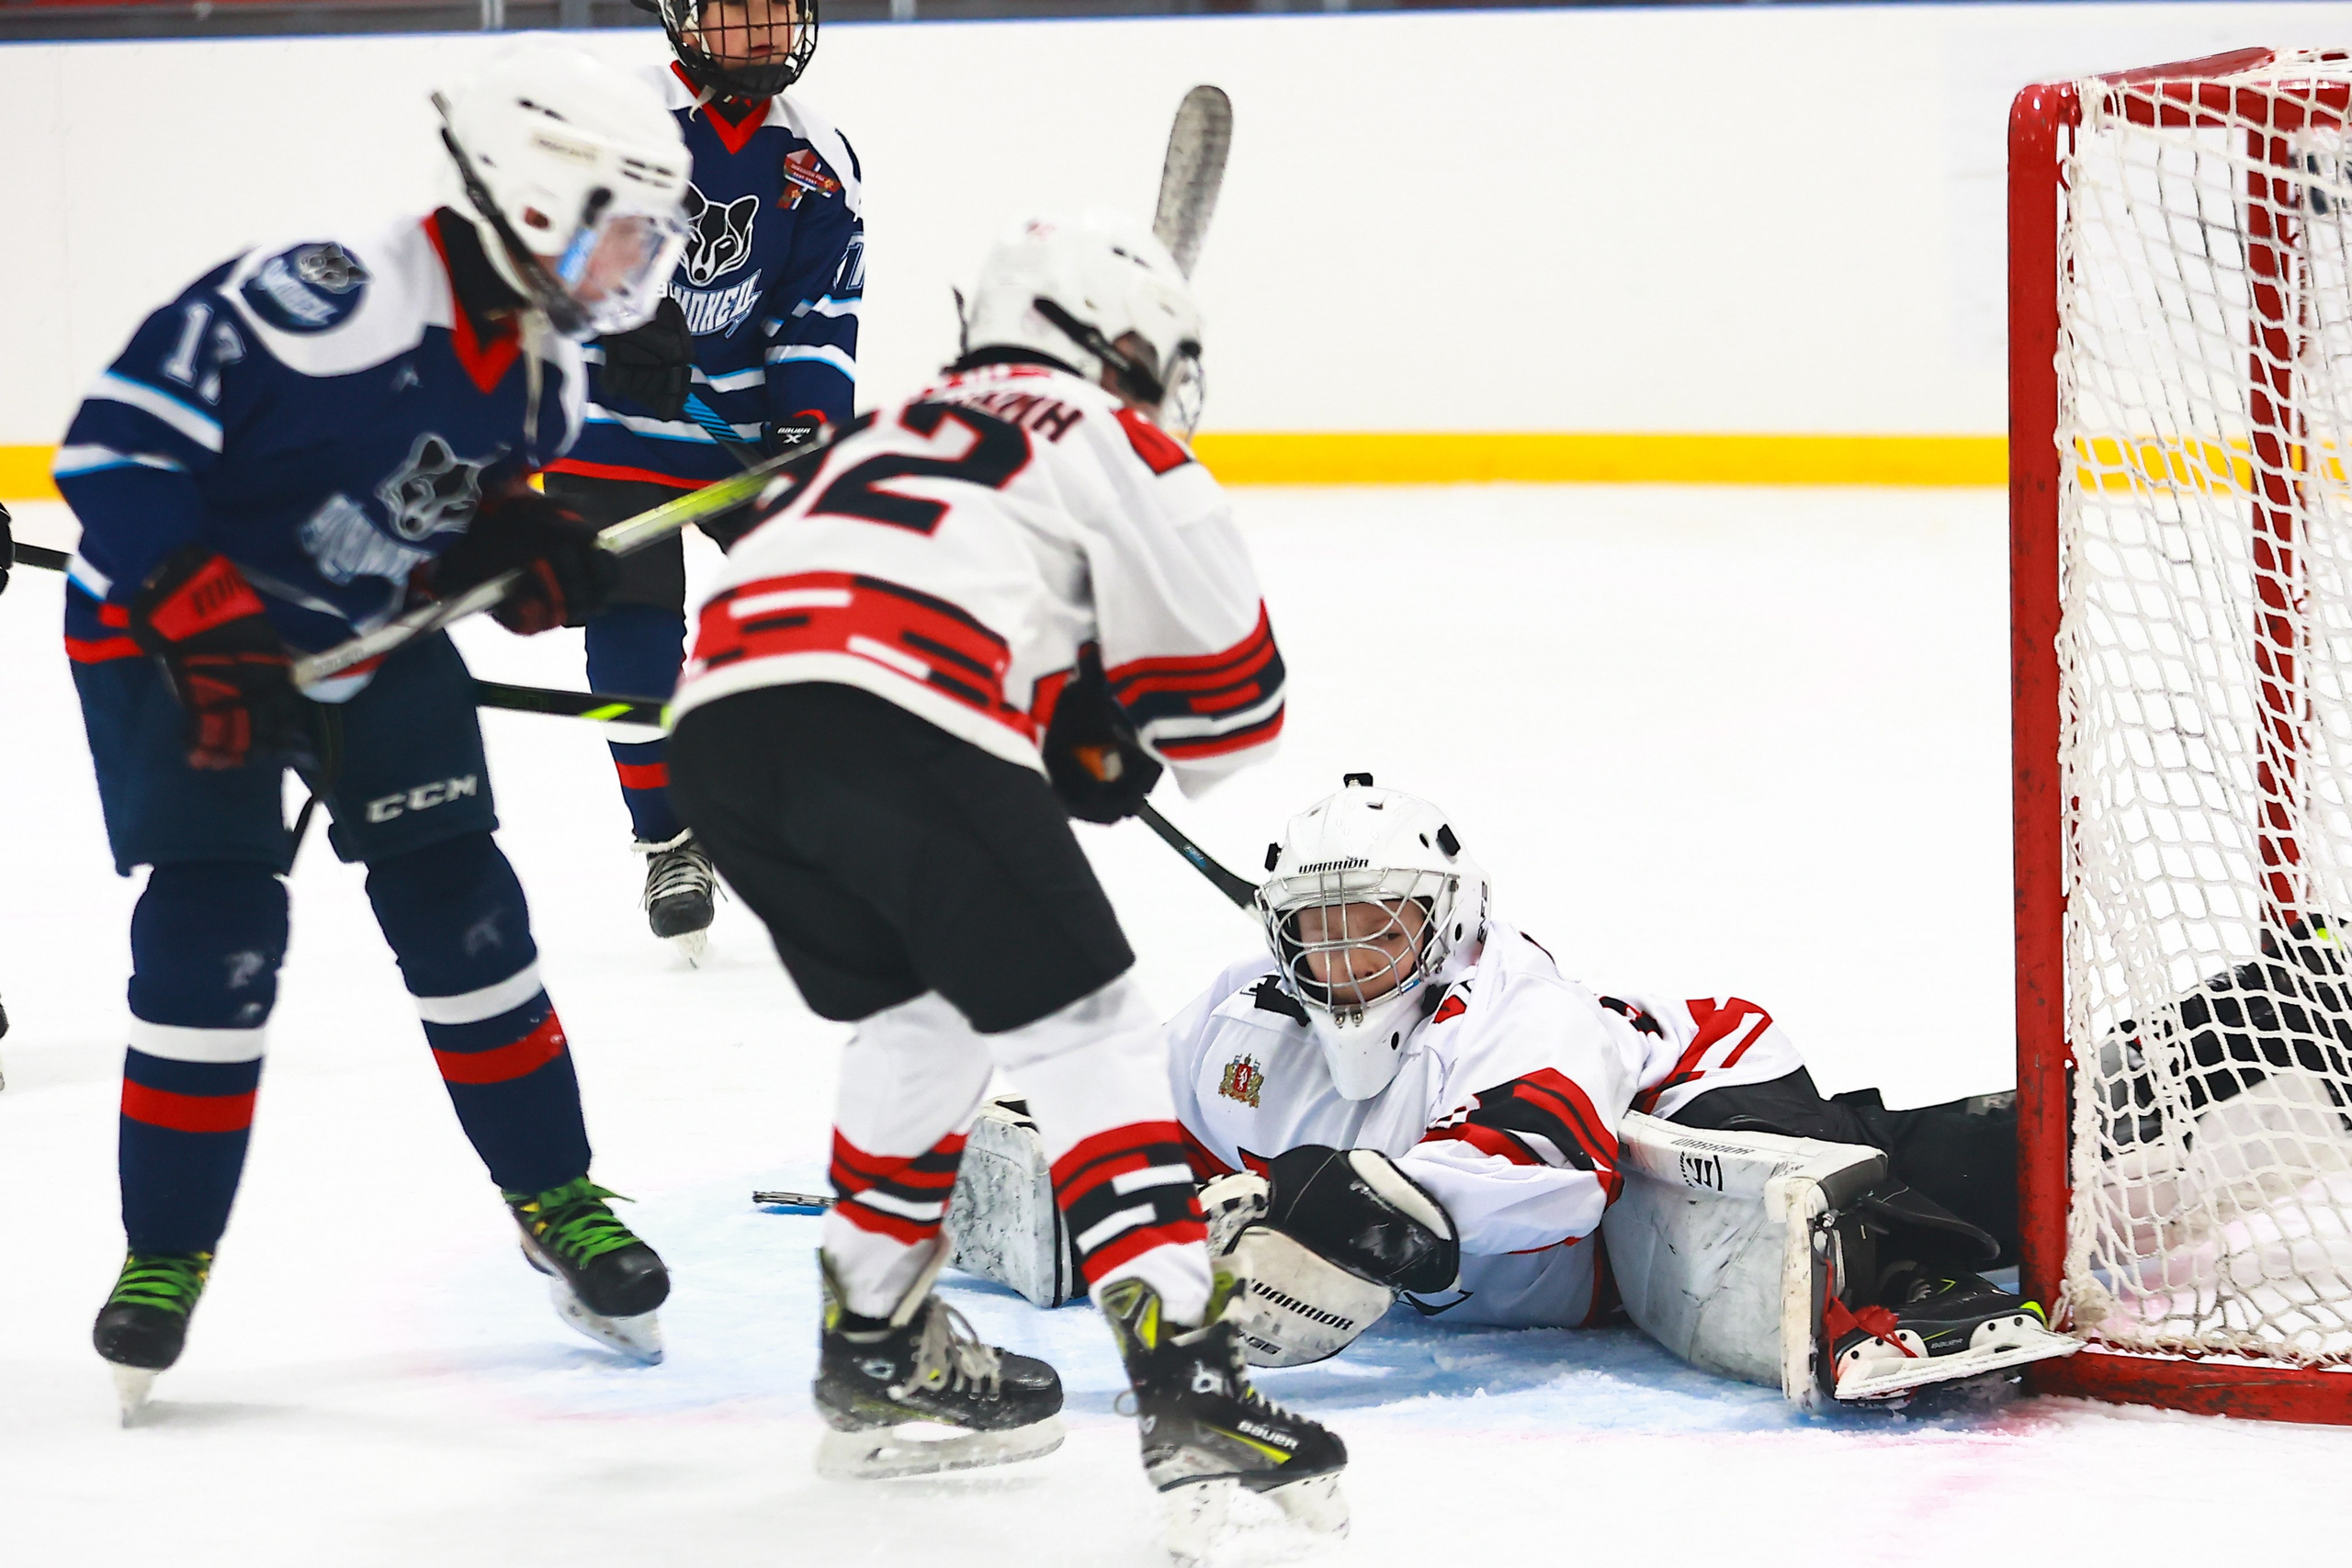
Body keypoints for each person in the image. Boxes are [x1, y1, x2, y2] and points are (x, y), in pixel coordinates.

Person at [664, 212, 1345, 1541]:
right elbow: (1232, 702)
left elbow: (906, 601)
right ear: (1107, 338)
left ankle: (877, 1349)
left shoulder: (888, 425)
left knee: (919, 1013)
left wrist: (1063, 713)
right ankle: (1194, 1391)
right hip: (900, 719)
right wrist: (1103, 722)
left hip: (722, 729)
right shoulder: (1113, 435)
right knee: (1088, 1031)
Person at [51, 43, 691, 1416]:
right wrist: (211, 625)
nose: (635, 265)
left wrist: (522, 546)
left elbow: (455, 505)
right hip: (169, 639)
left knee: (467, 911)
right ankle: (165, 1250)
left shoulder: (545, 371)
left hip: (363, 643)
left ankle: (554, 1195)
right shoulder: (327, 296)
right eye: (623, 229)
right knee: (210, 939)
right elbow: (111, 453)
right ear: (534, 199)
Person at [1148, 774, 2056, 1398]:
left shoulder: (1514, 1007)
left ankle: (1906, 1296)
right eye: (1319, 931)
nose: (1344, 961)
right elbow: (1142, 1143)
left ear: (1447, 922)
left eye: (1375, 929)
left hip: (1678, 1103)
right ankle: (2102, 1111)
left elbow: (1558, 1186)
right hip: (1613, 1260)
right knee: (1935, 1169)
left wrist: (1348, 1217)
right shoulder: (1236, 1025)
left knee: (1782, 1218)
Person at [545, 0, 864, 958]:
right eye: (740, 11)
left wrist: (807, 423)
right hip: (603, 430)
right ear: (685, 20)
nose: (766, 31)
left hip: (733, 435)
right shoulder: (610, 123)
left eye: (779, 10)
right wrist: (605, 316)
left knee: (828, 614)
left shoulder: (817, 158)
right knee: (629, 640)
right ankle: (668, 840)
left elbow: (818, 305)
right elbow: (529, 245)